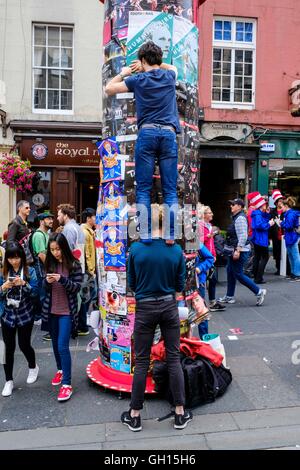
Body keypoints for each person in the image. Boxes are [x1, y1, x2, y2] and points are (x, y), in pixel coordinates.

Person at [122, 207, 192, 432]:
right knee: (173, 358)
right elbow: (181, 285)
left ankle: (135, 415)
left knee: (142, 361)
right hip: (168, 304)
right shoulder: (175, 250)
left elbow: (131, 283)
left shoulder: (136, 249)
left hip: (145, 306)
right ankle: (180, 413)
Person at [105, 41, 180, 243]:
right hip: (168, 134)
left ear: (143, 60)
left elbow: (109, 89)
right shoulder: (170, 75)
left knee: (144, 189)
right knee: (170, 190)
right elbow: (172, 67)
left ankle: (146, 235)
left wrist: (126, 71)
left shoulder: (137, 79)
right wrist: (155, 63)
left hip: (146, 134)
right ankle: (171, 235)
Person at [42, 233, 82, 402]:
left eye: (57, 249)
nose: (55, 253)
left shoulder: (74, 264)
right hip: (51, 310)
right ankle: (60, 370)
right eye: (52, 250)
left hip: (67, 311)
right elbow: (44, 288)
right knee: (54, 345)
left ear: (64, 247)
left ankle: (67, 384)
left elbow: (77, 287)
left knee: (62, 346)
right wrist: (47, 282)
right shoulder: (49, 263)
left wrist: (62, 280)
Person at [0, 242, 39, 397]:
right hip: (7, 314)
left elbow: (36, 294)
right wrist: (4, 287)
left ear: (22, 257)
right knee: (8, 348)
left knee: (24, 344)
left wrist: (24, 284)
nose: (14, 261)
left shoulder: (30, 271)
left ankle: (33, 367)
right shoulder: (3, 273)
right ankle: (8, 380)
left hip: (25, 313)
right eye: (11, 258)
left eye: (17, 258)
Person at [218, 199, 266, 306]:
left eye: (233, 205)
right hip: (235, 249)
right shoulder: (237, 217)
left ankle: (258, 291)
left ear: (239, 206)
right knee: (230, 271)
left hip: (240, 250)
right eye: (231, 204)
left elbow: (243, 236)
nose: (231, 206)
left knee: (238, 274)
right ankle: (229, 296)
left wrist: (238, 250)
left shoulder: (240, 218)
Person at [31, 211, 54, 340]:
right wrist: (51, 269)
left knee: (45, 298)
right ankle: (47, 327)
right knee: (44, 298)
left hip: (44, 270)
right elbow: (41, 255)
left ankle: (47, 325)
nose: (51, 220)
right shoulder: (39, 235)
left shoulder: (46, 234)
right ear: (41, 221)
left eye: (51, 218)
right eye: (48, 218)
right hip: (41, 271)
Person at [201, 206, 226, 312]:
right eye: (209, 213)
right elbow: (198, 241)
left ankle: (211, 302)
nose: (212, 214)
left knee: (212, 279)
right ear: (203, 215)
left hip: (210, 257)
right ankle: (205, 304)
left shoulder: (209, 226)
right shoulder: (200, 226)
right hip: (204, 258)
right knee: (204, 280)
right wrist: (208, 236)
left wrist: (214, 254)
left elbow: (211, 243)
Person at [78, 208, 97, 336]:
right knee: (86, 297)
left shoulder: (90, 232)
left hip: (89, 271)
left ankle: (84, 321)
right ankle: (82, 324)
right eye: (94, 217)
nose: (96, 219)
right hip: (86, 271)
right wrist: (90, 270)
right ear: (88, 218)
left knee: (91, 295)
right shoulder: (84, 232)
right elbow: (86, 254)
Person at [251, 194, 274, 284]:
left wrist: (267, 214)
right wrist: (269, 224)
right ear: (261, 206)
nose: (266, 205)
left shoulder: (258, 214)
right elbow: (260, 225)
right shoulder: (257, 215)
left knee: (257, 257)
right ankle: (258, 278)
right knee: (265, 257)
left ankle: (256, 275)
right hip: (260, 239)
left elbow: (263, 219)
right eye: (265, 204)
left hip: (258, 238)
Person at [195, 243, 214, 338]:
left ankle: (204, 338)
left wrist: (200, 268)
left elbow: (210, 258)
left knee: (201, 311)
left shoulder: (194, 242)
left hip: (197, 282)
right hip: (179, 284)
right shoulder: (172, 243)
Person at [280, 197, 300, 281]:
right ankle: (294, 273)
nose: (281, 209)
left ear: (286, 206)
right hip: (291, 236)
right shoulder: (289, 214)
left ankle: (297, 274)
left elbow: (288, 226)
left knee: (295, 256)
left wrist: (281, 223)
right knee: (292, 255)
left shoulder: (290, 214)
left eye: (282, 207)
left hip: (292, 236)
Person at [269, 189, 284, 275]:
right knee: (277, 253)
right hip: (275, 235)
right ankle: (278, 268)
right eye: (279, 201)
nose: (280, 202)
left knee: (284, 252)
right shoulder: (273, 211)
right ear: (276, 202)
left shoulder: (285, 211)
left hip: (284, 234)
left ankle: (286, 268)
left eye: (281, 201)